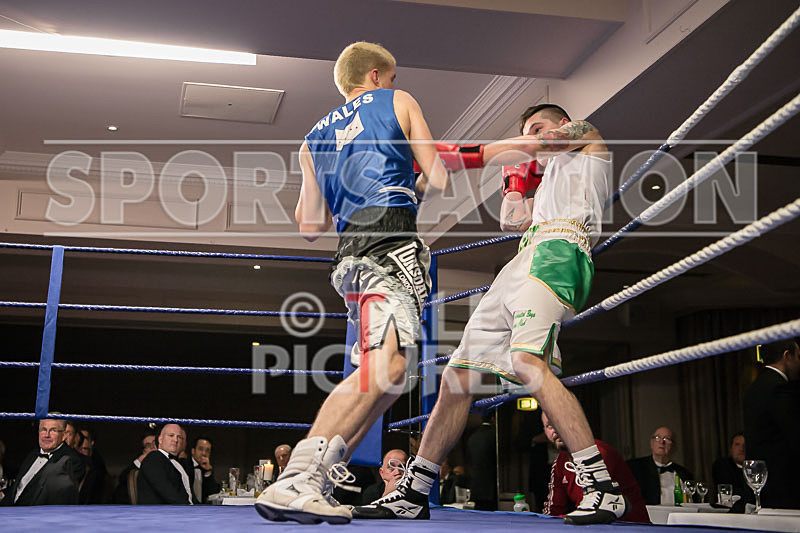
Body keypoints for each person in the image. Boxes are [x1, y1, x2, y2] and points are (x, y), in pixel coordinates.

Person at [353, 104, 628, 525]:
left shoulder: (588, 139)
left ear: (561, 122)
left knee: (526, 360)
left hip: (559, 251)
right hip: (521, 260)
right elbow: (512, 220)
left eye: (539, 125)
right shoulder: (547, 181)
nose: (533, 134)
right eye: (527, 129)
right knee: (455, 376)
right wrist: (516, 189)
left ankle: (602, 487)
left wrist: (470, 155)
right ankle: (414, 492)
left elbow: (547, 142)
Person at [255, 41, 451, 525]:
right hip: (390, 244)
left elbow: (309, 226)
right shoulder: (398, 100)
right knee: (384, 365)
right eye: (393, 75)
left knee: (392, 376)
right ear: (379, 74)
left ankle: (315, 477)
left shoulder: (311, 139)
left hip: (350, 257)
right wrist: (412, 179)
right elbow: (440, 177)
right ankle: (296, 477)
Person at [541, 412, 649, 523]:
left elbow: (592, 510)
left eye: (559, 422)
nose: (555, 429)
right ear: (544, 431)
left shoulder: (600, 454)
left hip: (630, 526)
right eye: (549, 425)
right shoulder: (560, 462)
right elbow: (553, 510)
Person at [743, 338, 800, 509]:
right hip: (783, 488)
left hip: (764, 487)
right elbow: (795, 437)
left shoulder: (754, 387)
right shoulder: (779, 387)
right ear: (787, 356)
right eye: (798, 357)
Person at [4, 416, 84, 505]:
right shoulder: (33, 454)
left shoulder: (71, 460)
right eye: (43, 430)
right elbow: (19, 489)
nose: (47, 435)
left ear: (64, 435)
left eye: (53, 430)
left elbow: (61, 497)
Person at [627, 426, 692, 505]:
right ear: (651, 443)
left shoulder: (684, 473)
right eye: (657, 438)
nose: (661, 442)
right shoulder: (635, 467)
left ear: (674, 447)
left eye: (666, 439)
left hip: (679, 516)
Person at [137, 424, 195, 504]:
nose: (175, 440)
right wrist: (190, 510)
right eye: (171, 435)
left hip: (183, 511)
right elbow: (167, 492)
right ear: (160, 439)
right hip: (162, 514)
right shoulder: (154, 458)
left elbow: (190, 496)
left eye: (179, 437)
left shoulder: (178, 463)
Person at [113, 431, 157, 504]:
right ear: (144, 451)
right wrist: (139, 461)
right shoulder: (140, 465)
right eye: (148, 445)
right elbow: (122, 478)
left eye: (154, 443)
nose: (152, 447)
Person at [466, 412, 497, 511]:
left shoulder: (473, 437)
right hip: (491, 486)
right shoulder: (494, 435)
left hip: (476, 485)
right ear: (493, 419)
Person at [711, 432, 747, 503]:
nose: (741, 449)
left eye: (745, 445)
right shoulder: (722, 465)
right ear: (731, 449)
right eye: (737, 445)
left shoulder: (755, 467)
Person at [189, 435, 220, 503]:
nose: (204, 453)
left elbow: (213, 494)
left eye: (207, 450)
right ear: (193, 451)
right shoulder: (184, 465)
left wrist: (208, 471)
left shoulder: (208, 468)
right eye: (200, 449)